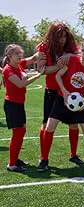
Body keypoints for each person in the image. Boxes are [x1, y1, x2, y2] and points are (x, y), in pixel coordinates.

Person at [37, 41, 84, 172]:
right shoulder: (72, 61)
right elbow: (58, 75)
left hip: (79, 103)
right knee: (50, 126)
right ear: (81, 52)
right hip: (62, 99)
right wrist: (64, 91)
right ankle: (44, 160)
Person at [36, 21, 84, 167]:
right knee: (46, 125)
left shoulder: (70, 47)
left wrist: (69, 55)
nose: (62, 40)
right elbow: (41, 70)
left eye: (64, 36)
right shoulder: (43, 48)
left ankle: (73, 155)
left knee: (74, 124)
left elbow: (79, 57)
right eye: (59, 37)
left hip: (70, 92)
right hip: (51, 91)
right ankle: (43, 158)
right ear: (52, 36)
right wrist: (58, 66)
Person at [2, 44, 46, 172]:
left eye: (21, 54)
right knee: (18, 133)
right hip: (12, 105)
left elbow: (32, 59)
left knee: (21, 132)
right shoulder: (8, 69)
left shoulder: (19, 64)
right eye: (17, 54)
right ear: (9, 56)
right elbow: (21, 84)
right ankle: (11, 164)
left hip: (19, 104)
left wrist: (41, 51)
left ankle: (15, 159)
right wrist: (38, 75)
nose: (20, 56)